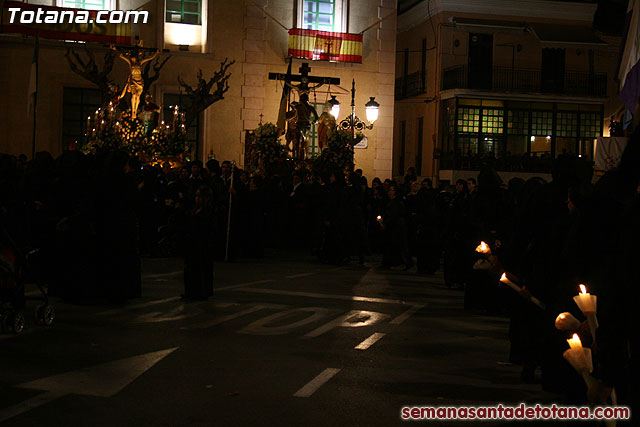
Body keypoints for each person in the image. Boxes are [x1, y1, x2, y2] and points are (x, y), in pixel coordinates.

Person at [183, 185, 215, 300]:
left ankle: (201, 291)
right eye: (196, 196)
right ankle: (191, 291)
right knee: (191, 268)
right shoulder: (194, 210)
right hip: (192, 242)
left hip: (202, 243)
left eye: (199, 196)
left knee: (201, 268)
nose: (197, 199)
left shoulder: (208, 212)